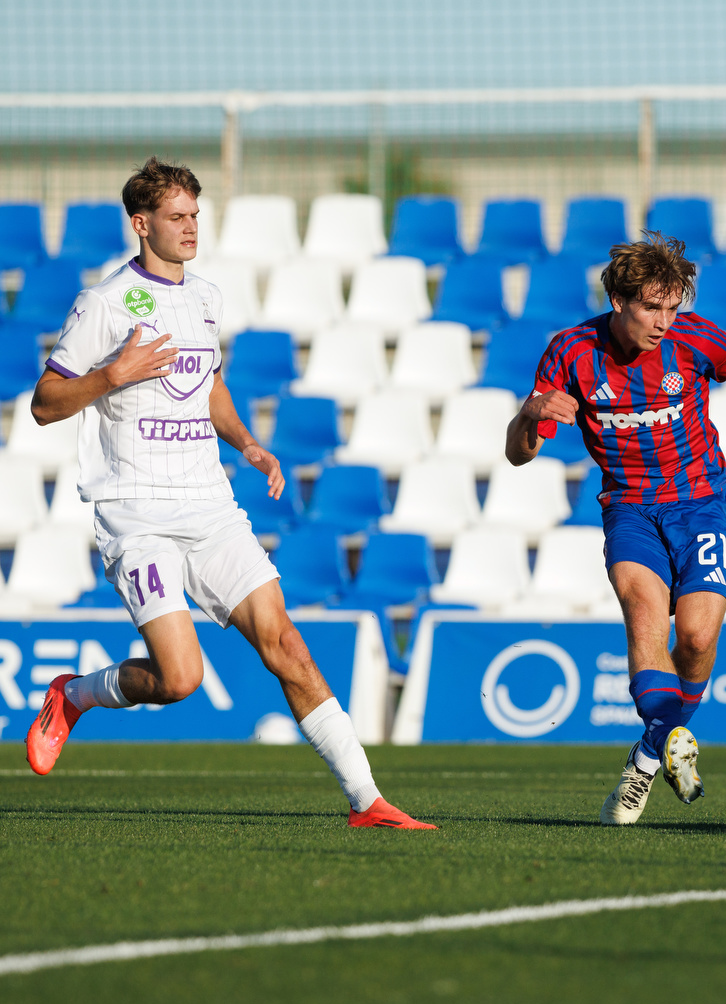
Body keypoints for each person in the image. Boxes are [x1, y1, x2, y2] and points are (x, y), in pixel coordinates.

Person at [23, 157, 434, 830]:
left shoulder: (207, 298)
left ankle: (369, 801)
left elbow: (209, 384)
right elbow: (44, 404)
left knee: (287, 646)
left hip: (210, 505)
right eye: (176, 217)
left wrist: (246, 442)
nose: (190, 228)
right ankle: (74, 694)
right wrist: (112, 375)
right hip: (136, 512)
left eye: (195, 215)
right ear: (141, 223)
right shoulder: (103, 304)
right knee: (178, 679)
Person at [505, 233, 726, 825]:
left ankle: (651, 754)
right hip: (629, 508)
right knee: (645, 614)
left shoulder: (695, 338)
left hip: (704, 502)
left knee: (697, 640)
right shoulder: (571, 353)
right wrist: (529, 414)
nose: (664, 321)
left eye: (672, 306)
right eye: (652, 308)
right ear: (619, 303)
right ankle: (671, 740)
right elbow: (518, 456)